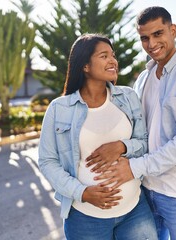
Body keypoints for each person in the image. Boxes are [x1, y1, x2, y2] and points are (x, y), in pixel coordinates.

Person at [86, 7, 176, 240]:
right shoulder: (144, 79)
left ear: (172, 30)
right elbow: (139, 131)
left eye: (158, 34)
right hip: (146, 189)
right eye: (145, 38)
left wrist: (134, 168)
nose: (151, 43)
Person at [38, 33, 157, 240]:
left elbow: (144, 143)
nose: (113, 61)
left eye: (113, 55)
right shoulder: (59, 109)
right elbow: (48, 161)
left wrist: (121, 146)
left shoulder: (128, 97)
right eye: (104, 56)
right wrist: (82, 192)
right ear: (85, 66)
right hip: (85, 218)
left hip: (135, 211)